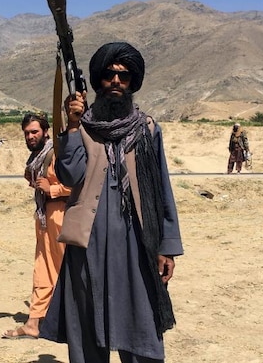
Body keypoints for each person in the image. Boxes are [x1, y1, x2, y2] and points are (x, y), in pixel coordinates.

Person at [40, 42, 182, 363]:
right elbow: (69, 175)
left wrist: (167, 247)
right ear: (97, 81)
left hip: (137, 246)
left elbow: (162, 189)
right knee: (88, 333)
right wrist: (72, 126)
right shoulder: (83, 127)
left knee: (142, 329)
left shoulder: (147, 129)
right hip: (87, 247)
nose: (116, 81)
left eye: (124, 76)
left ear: (133, 82)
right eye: (109, 75)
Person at [3, 113, 70, 340]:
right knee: (42, 269)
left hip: (62, 215)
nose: (30, 136)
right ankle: (34, 322)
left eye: (34, 132)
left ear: (46, 132)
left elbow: (81, 183)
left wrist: (53, 189)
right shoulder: (38, 157)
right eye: (27, 133)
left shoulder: (58, 152)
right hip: (44, 216)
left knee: (65, 270)